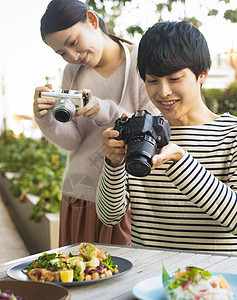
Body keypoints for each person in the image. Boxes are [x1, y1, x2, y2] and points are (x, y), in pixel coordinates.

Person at [96, 20, 237, 254]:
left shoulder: (231, 135)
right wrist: (113, 164)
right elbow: (109, 216)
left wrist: (181, 162)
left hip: (213, 284)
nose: (163, 92)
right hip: (146, 281)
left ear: (202, 74)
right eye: (152, 81)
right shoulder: (140, 132)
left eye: (174, 79)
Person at [33, 0, 159, 247]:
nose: (72, 56)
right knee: (78, 278)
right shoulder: (73, 71)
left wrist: (102, 109)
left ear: (92, 20)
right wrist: (46, 118)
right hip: (79, 194)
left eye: (73, 43)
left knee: (121, 279)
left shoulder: (141, 60)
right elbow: (73, 142)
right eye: (62, 53)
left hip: (125, 198)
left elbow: (153, 128)